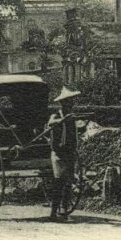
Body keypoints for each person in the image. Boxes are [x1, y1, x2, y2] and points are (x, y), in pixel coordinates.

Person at [47, 86, 80, 222]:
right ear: (62, 103)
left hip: (70, 152)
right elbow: (50, 123)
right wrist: (61, 121)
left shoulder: (72, 117)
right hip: (58, 154)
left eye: (71, 101)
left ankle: (64, 211)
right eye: (67, 101)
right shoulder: (56, 115)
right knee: (59, 182)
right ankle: (53, 212)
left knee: (68, 182)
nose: (70, 104)